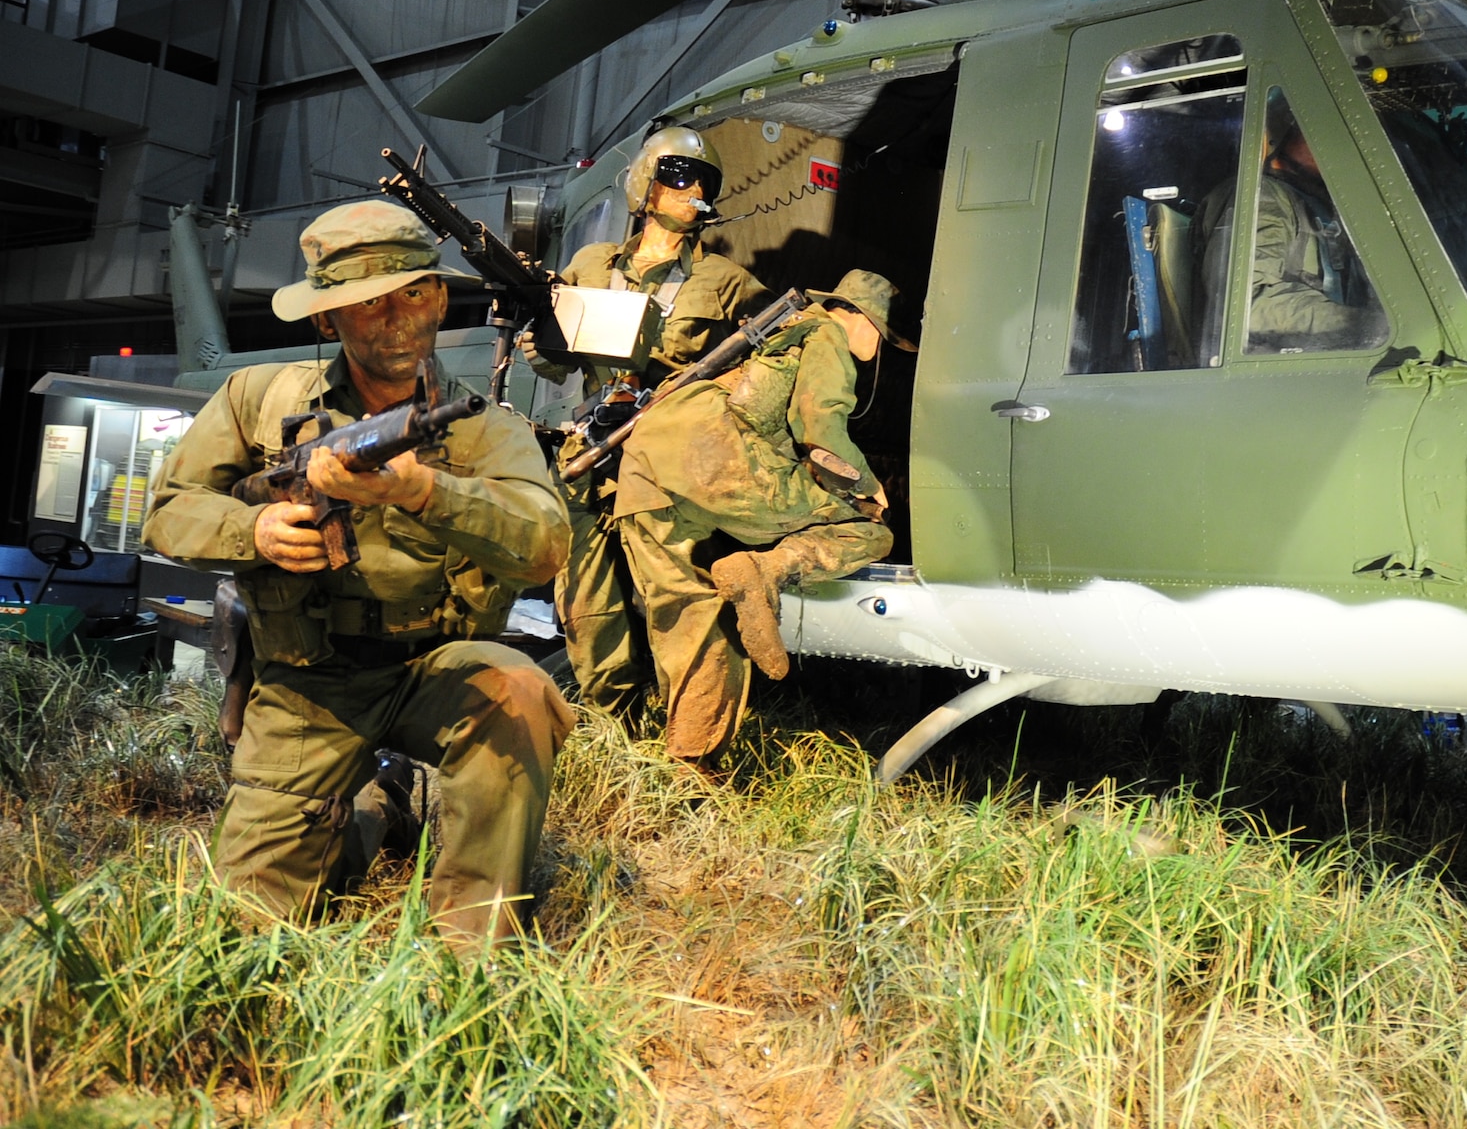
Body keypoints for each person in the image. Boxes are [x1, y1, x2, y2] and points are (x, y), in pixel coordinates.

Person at [143, 200, 572, 949]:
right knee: (246, 927)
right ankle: (378, 808)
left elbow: (544, 547)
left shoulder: (484, 430)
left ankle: (473, 954)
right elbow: (168, 513)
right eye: (366, 303)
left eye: (414, 293)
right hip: (310, 681)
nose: (397, 317)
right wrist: (257, 529)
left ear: (440, 298)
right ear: (325, 321)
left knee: (520, 689)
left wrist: (425, 491)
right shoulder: (257, 401)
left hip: (436, 668)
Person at [609, 269, 913, 765]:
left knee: (685, 616)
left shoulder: (773, 336)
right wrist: (868, 491)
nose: (878, 349)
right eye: (881, 335)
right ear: (855, 315)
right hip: (718, 463)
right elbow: (821, 432)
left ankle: (687, 762)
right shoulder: (825, 333)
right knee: (870, 533)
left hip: (646, 467)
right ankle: (764, 571)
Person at [521, 126, 768, 726]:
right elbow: (556, 361)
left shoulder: (726, 282)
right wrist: (538, 334)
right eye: (679, 176)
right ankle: (618, 725)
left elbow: (772, 363)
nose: (693, 190)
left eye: (703, 182)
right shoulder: (589, 266)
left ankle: (695, 745)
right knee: (585, 599)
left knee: (675, 599)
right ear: (646, 186)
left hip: (665, 456)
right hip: (589, 448)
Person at [1198, 108, 1389, 353]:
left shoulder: (1314, 203)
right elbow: (1247, 304)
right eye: (1316, 130)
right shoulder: (1261, 197)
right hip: (1267, 366)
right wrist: (1361, 324)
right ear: (1287, 132)